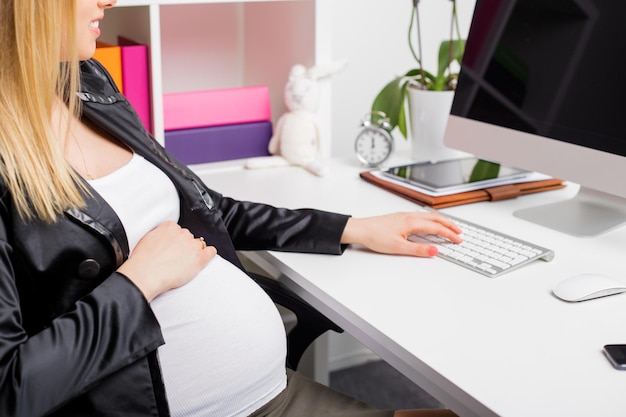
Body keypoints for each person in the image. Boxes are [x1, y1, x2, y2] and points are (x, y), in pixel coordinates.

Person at [0, 1, 464, 416]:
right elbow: (10, 389)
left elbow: (209, 207)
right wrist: (140, 281)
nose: (110, 1)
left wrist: (351, 228)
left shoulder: (83, 82)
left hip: (270, 393)